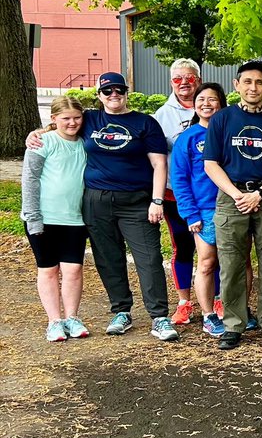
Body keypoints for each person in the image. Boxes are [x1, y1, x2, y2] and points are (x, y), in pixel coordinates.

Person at [29, 73, 177, 341]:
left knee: (149, 258)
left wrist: (156, 200)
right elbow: (64, 122)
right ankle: (121, 311)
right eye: (107, 91)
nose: (113, 95)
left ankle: (159, 316)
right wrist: (38, 132)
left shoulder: (145, 123)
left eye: (118, 90)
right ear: (99, 95)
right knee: (108, 258)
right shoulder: (90, 119)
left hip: (136, 201)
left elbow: (159, 164)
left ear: (126, 92)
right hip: (96, 200)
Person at [204, 60, 262, 350]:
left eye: (259, 82)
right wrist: (236, 194)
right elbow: (210, 164)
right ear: (237, 85)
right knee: (230, 265)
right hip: (232, 199)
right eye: (247, 82)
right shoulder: (222, 119)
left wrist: (261, 193)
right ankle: (233, 323)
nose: (253, 87)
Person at [21, 96, 89, 342]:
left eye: (77, 118)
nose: (72, 123)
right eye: (66, 118)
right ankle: (54, 321)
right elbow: (30, 180)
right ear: (54, 119)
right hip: (44, 218)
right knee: (48, 270)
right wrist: (33, 217)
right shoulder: (43, 142)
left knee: (73, 270)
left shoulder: (84, 144)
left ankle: (72, 317)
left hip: (75, 219)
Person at [170, 82, 228, 337]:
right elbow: (179, 179)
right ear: (194, 105)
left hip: (234, 206)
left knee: (236, 262)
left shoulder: (230, 133)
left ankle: (232, 307)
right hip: (204, 210)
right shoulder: (188, 137)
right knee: (206, 263)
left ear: (222, 104)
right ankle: (208, 315)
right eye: (201, 99)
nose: (206, 103)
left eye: (212, 99)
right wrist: (190, 214)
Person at [153, 58, 203, 326]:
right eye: (177, 79)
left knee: (212, 248)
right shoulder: (163, 115)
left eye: (190, 77)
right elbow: (157, 159)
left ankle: (216, 298)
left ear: (199, 79)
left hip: (209, 194)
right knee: (183, 247)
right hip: (177, 194)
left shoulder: (212, 107)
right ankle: (184, 301)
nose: (184, 83)